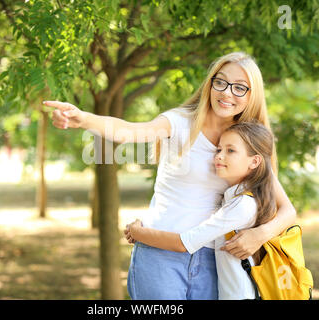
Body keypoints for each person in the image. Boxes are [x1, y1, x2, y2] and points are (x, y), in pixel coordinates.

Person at [43, 52, 296, 300]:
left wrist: (259, 234)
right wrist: (84, 119)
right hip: (160, 255)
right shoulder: (179, 122)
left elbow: (287, 210)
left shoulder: (248, 142)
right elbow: (129, 132)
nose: (227, 92)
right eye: (221, 82)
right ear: (210, 83)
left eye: (240, 87)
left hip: (215, 260)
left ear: (252, 95)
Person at [124, 121, 276, 300]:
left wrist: (137, 231)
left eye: (230, 150)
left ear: (255, 161)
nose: (219, 156)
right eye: (218, 150)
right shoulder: (235, 199)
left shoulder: (242, 206)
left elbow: (183, 243)